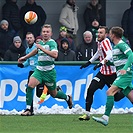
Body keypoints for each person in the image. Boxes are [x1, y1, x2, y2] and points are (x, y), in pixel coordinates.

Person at [18, 24, 72, 116]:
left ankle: (67, 98)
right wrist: (25, 57)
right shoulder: (40, 43)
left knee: (54, 94)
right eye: (44, 32)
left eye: (47, 32)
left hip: (49, 72)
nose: (45, 33)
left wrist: (42, 48)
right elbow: (36, 51)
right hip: (39, 70)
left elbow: (55, 55)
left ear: (51, 33)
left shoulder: (52, 43)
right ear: (41, 33)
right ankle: (28, 109)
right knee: (30, 85)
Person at [78, 26, 125, 121]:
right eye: (98, 32)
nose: (98, 34)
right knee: (90, 89)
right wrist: (89, 62)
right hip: (102, 73)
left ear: (106, 34)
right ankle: (87, 114)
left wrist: (101, 63)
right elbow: (98, 53)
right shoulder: (99, 42)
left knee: (116, 97)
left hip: (111, 74)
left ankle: (127, 90)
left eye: (101, 33)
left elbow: (110, 55)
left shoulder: (105, 42)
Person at [92, 26, 133, 126]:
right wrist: (108, 63)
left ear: (113, 35)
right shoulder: (115, 46)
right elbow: (118, 62)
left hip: (125, 74)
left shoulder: (121, 44)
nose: (109, 35)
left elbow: (131, 55)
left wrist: (125, 68)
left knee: (110, 91)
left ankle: (105, 117)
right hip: (122, 74)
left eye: (109, 33)